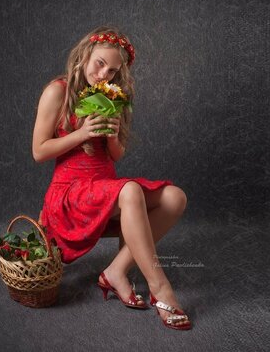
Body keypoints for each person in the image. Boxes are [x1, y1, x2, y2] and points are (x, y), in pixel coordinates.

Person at [32, 26, 191, 330]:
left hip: (105, 189)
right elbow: (39, 151)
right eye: (99, 63)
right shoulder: (59, 91)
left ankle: (116, 271)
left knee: (175, 197)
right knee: (129, 190)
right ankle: (161, 288)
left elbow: (114, 156)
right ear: (83, 56)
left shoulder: (110, 96)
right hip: (70, 193)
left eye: (113, 70)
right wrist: (82, 133)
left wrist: (114, 133)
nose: (104, 74)